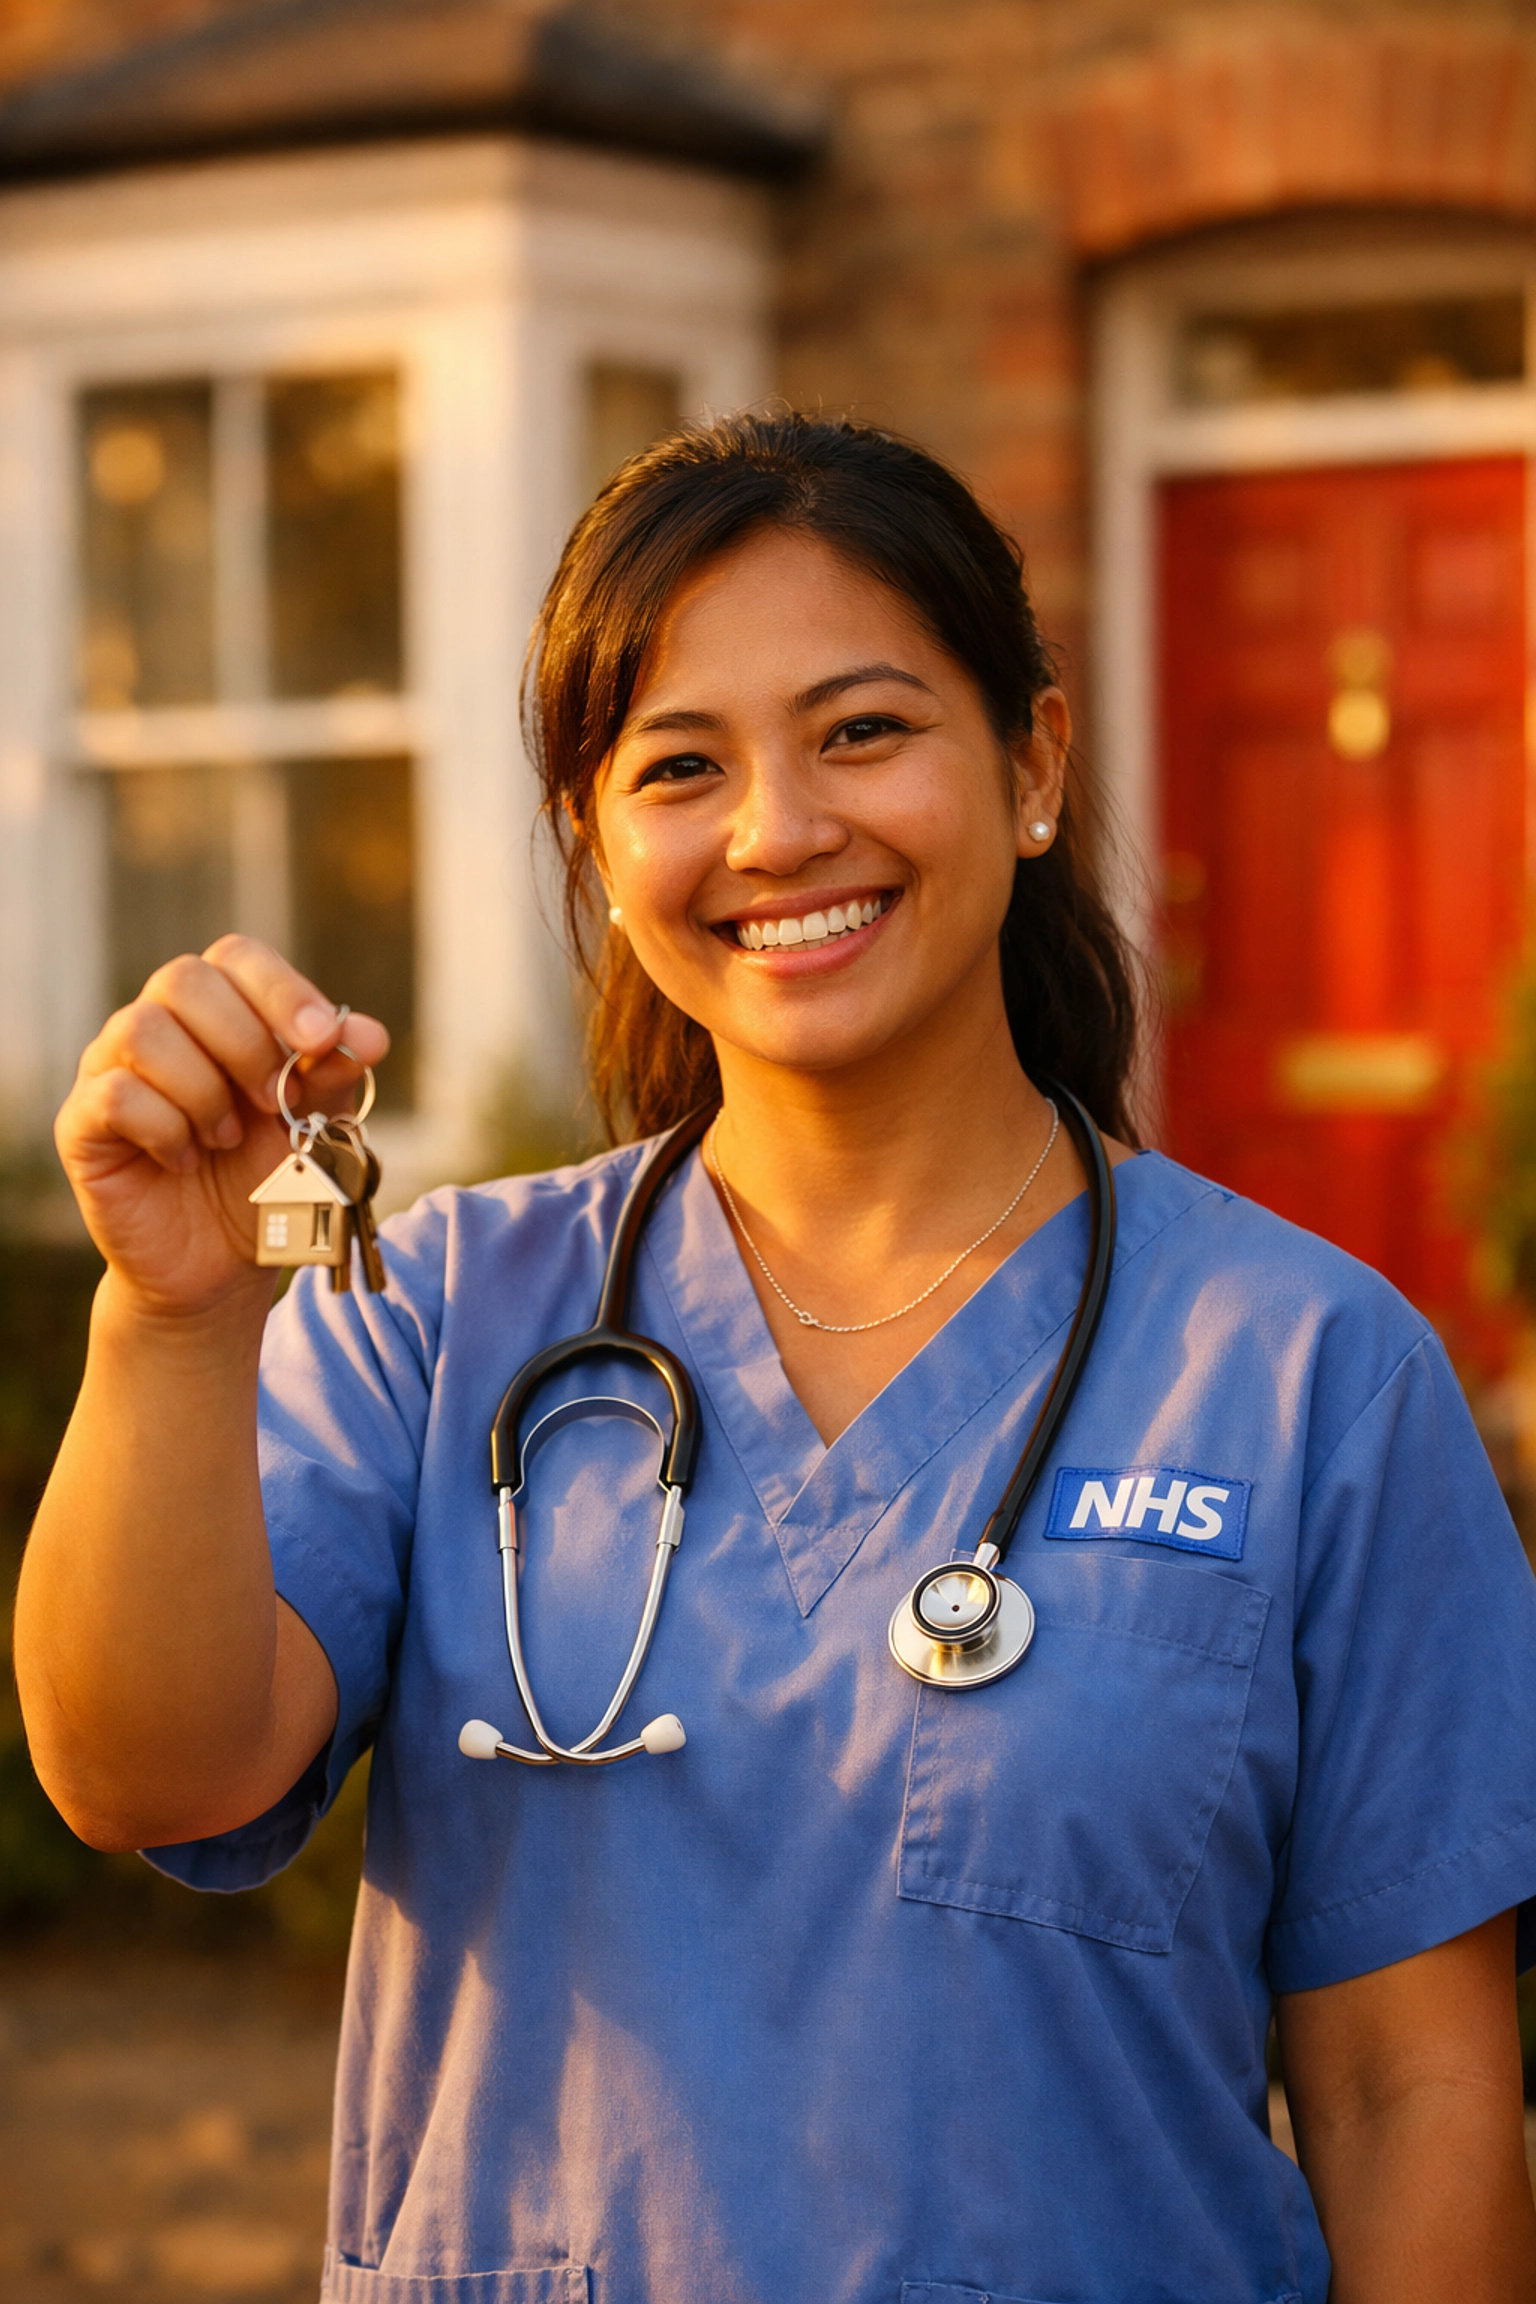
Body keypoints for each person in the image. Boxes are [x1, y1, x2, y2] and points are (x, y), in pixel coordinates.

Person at [17, 410, 1536, 2304]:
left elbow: (1413, 2089)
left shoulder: (1315, 1379)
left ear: (1032, 760)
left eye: (864, 730)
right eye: (679, 765)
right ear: (595, 836)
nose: (778, 830)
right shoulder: (433, 1317)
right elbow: (143, 1773)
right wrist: (171, 1317)